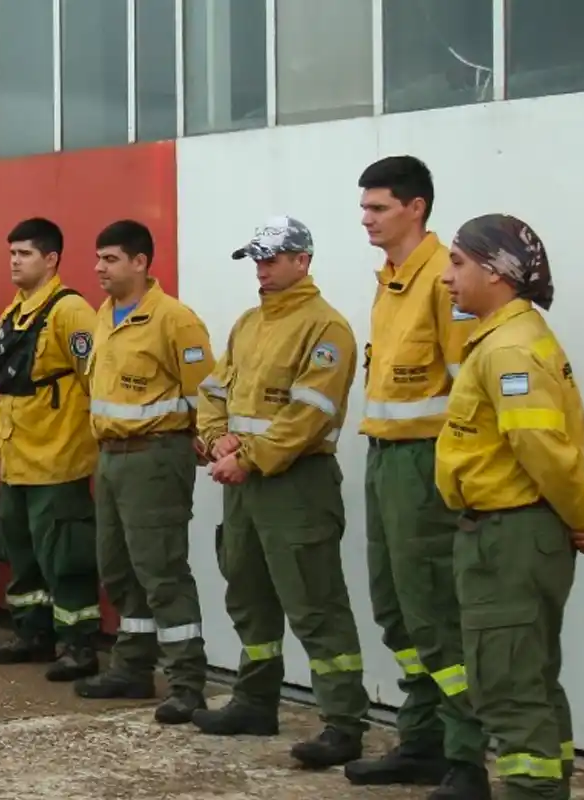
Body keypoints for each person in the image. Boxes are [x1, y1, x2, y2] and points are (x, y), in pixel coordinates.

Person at [437, 214, 584, 800]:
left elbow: (543, 450)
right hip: (516, 535)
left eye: (458, 263)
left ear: (497, 272)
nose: (447, 278)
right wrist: (581, 519)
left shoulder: (509, 350)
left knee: (509, 690)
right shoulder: (511, 339)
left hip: (507, 538)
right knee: (533, 682)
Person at [192, 216, 372, 768]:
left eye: (272, 260)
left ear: (303, 260)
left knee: (315, 604)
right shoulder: (249, 323)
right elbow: (214, 390)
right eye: (257, 260)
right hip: (241, 484)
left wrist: (246, 458)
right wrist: (214, 437)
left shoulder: (327, 329)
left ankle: (343, 723)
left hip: (296, 485)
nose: (262, 271)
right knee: (248, 594)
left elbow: (308, 416)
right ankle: (254, 700)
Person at [346, 155, 488, 796]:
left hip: (426, 463)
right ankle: (423, 740)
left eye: (378, 208)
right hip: (384, 459)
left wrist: (456, 476)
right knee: (395, 609)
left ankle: (465, 758)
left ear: (416, 208)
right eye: (365, 208)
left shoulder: (443, 280)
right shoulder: (393, 279)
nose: (366, 219)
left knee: (434, 611)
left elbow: (468, 393)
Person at [74, 219, 210, 726]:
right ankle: (132, 667)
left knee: (162, 572)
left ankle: (186, 683)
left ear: (140, 262)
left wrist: (203, 444)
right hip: (111, 458)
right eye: (97, 258)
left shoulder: (175, 320)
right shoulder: (105, 316)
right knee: (119, 568)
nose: (99, 269)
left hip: (155, 456)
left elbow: (206, 394)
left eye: (110, 259)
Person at [0, 217, 102, 682]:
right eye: (11, 253)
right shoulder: (12, 314)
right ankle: (32, 634)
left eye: (25, 253)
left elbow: (95, 377)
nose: (14, 261)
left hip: (56, 460)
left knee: (66, 557)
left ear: (51, 259)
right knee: (22, 553)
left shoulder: (71, 311)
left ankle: (79, 645)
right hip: (17, 461)